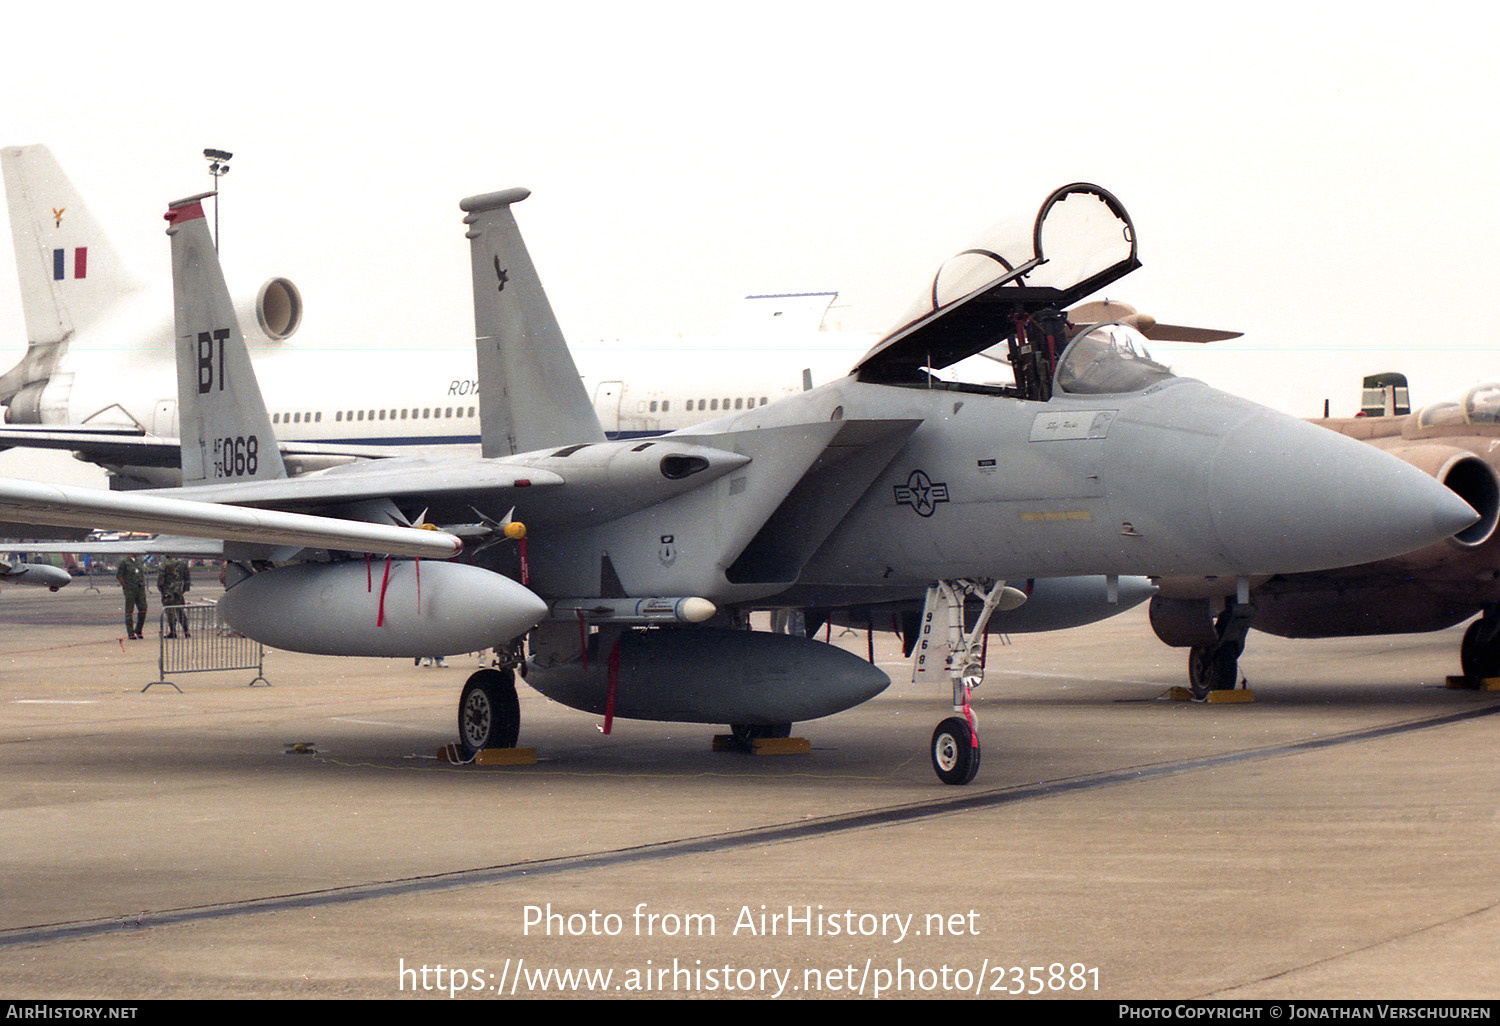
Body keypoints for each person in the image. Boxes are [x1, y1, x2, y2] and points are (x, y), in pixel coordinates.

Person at [158, 557, 191, 638]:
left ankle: (173, 631)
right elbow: (187, 578)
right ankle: (186, 631)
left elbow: (160, 579)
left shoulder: (165, 564)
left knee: (170, 612)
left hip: (168, 591)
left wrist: (161, 590)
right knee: (180, 611)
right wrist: (184, 589)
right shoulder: (183, 563)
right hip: (178, 591)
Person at [116, 555, 147, 640]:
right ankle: (130, 632)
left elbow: (141, 573)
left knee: (143, 609)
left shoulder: (138, 561)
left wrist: (143, 582)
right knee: (129, 611)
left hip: (140, 588)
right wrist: (125, 586)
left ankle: (138, 630)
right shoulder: (124, 562)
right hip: (130, 589)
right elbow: (119, 575)